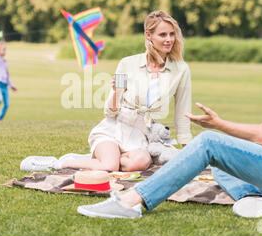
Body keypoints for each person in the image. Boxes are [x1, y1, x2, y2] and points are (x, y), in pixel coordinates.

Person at [77, 21, 262, 219]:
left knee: (208, 144)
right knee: (221, 164)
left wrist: (217, 124)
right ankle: (253, 198)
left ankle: (130, 202)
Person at [26, 10, 192, 172]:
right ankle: (61, 163)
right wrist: (115, 92)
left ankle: (95, 159)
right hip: (114, 129)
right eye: (163, 35)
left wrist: (188, 152)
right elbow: (110, 112)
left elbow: (182, 113)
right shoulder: (127, 64)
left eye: (172, 34)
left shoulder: (181, 70)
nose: (169, 39)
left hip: (141, 137)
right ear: (148, 35)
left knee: (141, 162)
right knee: (109, 166)